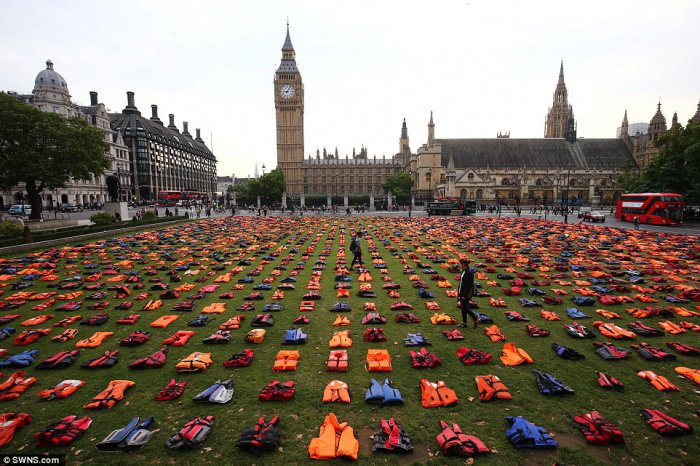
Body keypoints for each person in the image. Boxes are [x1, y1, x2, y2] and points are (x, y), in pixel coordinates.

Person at [457, 257, 478, 328]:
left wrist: (464, 295)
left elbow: (469, 286)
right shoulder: (464, 270)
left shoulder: (469, 272)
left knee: (465, 308)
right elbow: (462, 283)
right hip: (461, 292)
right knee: (463, 308)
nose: (458, 265)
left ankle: (475, 318)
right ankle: (465, 322)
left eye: (459, 264)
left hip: (465, 294)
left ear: (463, 264)